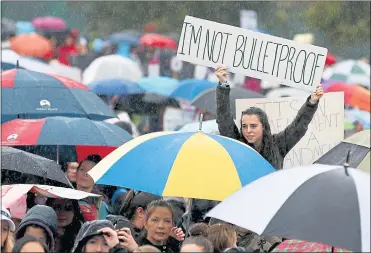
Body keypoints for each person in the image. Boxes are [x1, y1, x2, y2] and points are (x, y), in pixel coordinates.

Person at [215, 65, 324, 170]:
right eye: (244, 126)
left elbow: (299, 126)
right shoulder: (238, 143)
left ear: (263, 126)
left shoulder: (278, 144)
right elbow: (224, 118)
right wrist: (223, 84)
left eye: (253, 126)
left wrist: (312, 102)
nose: (248, 131)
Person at [76, 155, 110, 221]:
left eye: (91, 171)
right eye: (82, 169)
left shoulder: (100, 205)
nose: (85, 173)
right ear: (76, 172)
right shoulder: (66, 197)